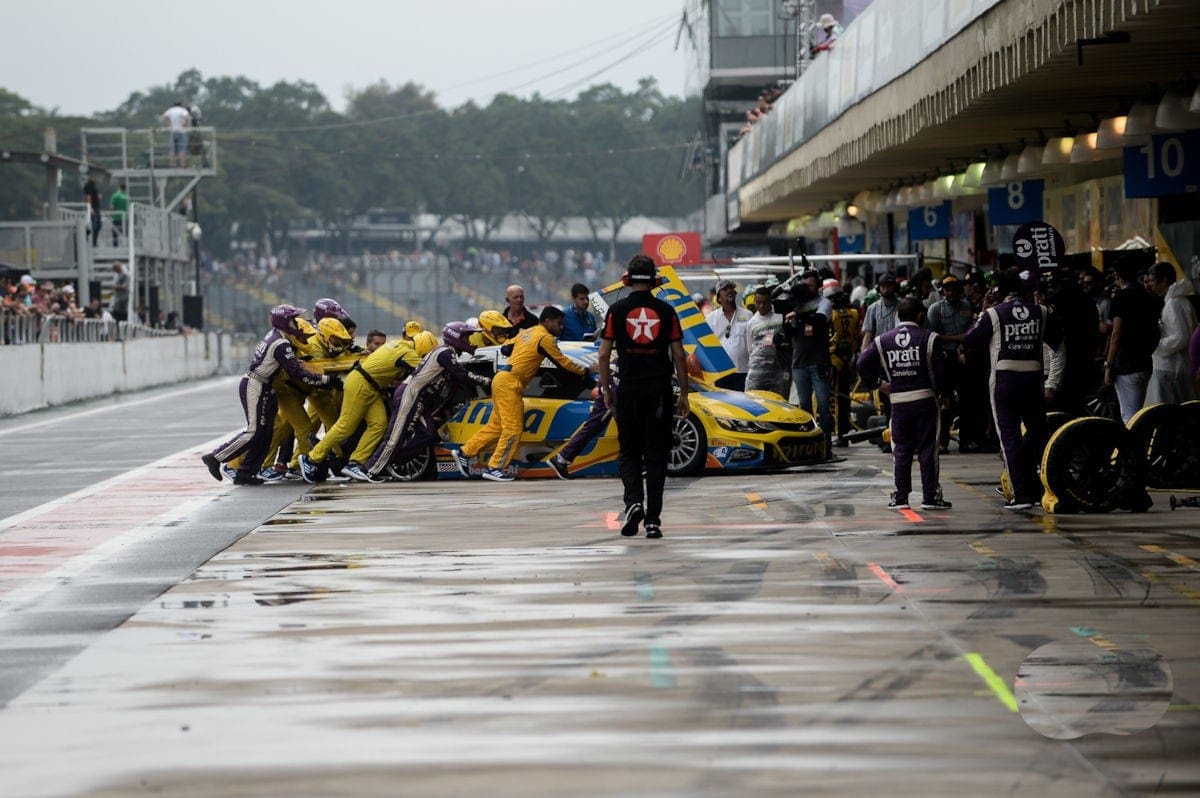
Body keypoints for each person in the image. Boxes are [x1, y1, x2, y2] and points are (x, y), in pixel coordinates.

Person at [597, 255, 688, 539]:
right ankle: (653, 521)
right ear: (654, 279)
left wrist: (606, 388)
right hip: (659, 391)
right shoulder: (667, 310)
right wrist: (684, 393)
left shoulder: (616, 311)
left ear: (627, 278)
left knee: (629, 452)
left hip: (629, 390)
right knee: (657, 455)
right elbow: (678, 355)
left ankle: (633, 502)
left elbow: (602, 354)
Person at [453, 306, 593, 482]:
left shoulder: (528, 332)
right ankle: (495, 467)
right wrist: (585, 371)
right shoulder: (545, 338)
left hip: (501, 379)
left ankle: (464, 452)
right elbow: (563, 362)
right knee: (513, 428)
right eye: (559, 323)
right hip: (510, 383)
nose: (561, 327)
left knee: (497, 426)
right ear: (548, 321)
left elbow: (506, 348)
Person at [202, 305, 338, 486]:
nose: (296, 323)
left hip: (265, 386)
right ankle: (216, 457)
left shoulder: (278, 336)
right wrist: (325, 380)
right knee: (254, 431)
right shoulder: (281, 343)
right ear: (284, 321)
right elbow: (297, 372)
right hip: (256, 385)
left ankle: (246, 472)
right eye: (292, 319)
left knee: (266, 433)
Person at [965, 268, 1061, 510]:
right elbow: (1058, 343)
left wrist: (983, 310)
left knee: (1010, 437)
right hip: (1033, 380)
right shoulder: (1041, 311)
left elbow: (971, 340)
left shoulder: (993, 314)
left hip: (1004, 381)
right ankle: (1051, 487)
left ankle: (1021, 495)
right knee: (1039, 434)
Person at [364, 323, 492, 481]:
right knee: (395, 436)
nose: (469, 341)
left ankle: (393, 461)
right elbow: (462, 375)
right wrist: (489, 381)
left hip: (417, 398)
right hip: (410, 394)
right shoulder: (445, 352)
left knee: (427, 433)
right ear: (456, 338)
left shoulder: (445, 353)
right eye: (466, 337)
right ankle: (371, 470)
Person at [857, 298, 950, 511]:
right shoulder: (930, 338)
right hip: (925, 400)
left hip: (898, 401)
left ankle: (900, 497)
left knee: (901, 449)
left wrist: (879, 384)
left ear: (897, 315)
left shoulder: (882, 340)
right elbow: (941, 370)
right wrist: (944, 394)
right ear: (919, 315)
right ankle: (930, 496)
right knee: (928, 449)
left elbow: (861, 363)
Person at [299, 333, 425, 483]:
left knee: (379, 425)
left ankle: (355, 463)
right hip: (362, 384)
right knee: (345, 426)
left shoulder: (398, 344)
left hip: (370, 386)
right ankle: (312, 459)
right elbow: (426, 369)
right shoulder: (409, 354)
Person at [1104, 259, 1161, 422]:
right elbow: (1157, 331)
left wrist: (1108, 364)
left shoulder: (1120, 298)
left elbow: (1116, 334)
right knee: (1141, 412)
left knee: (1129, 414)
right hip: (1145, 363)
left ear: (1117, 276)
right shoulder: (1147, 296)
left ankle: (1134, 447)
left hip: (1126, 365)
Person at [785, 271, 834, 456]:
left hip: (818, 362)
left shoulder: (824, 303)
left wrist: (797, 315)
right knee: (804, 407)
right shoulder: (796, 304)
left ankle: (827, 444)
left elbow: (820, 321)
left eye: (810, 286)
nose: (807, 289)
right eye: (804, 285)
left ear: (819, 286)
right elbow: (789, 333)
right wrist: (789, 319)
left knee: (823, 405)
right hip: (799, 363)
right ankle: (808, 445)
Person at [926, 275, 973, 451]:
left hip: (963, 357)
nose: (951, 292)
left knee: (967, 401)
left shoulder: (967, 307)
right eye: (948, 289)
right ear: (943, 291)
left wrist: (961, 344)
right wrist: (957, 340)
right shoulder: (935, 310)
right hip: (943, 359)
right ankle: (942, 442)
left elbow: (970, 334)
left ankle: (966, 440)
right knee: (944, 401)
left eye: (954, 289)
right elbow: (933, 338)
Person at [1146, 261, 1198, 405]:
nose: (1151, 285)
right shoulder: (1178, 301)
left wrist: (1156, 344)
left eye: (1153, 281)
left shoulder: (1174, 304)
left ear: (1163, 281)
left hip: (1171, 367)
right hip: (1172, 366)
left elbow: (1181, 337)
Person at [705, 279, 752, 389]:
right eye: (725, 289)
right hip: (721, 372)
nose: (729, 291)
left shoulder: (748, 315)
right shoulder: (711, 318)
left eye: (731, 288)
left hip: (743, 370)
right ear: (719, 297)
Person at [745, 286, 787, 395]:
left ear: (770, 301)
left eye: (765, 302)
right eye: (758, 302)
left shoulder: (779, 318)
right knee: (753, 399)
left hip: (778, 369)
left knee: (779, 401)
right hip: (757, 368)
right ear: (754, 302)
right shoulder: (751, 323)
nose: (762, 306)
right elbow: (750, 348)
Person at [161, 100, 191, 168]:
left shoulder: (170, 110)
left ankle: (171, 164)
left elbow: (164, 117)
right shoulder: (183, 110)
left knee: (172, 149)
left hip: (173, 131)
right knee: (182, 149)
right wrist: (185, 124)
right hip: (181, 131)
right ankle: (182, 164)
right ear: (181, 105)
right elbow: (187, 118)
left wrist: (169, 123)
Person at [82, 175, 101, 247]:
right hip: (93, 209)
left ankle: (94, 242)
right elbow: (88, 197)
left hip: (96, 207)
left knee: (98, 226)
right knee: (94, 226)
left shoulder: (93, 185)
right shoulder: (88, 185)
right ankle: (90, 242)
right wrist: (90, 208)